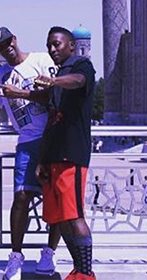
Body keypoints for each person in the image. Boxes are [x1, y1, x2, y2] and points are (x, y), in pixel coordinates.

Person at [0, 26, 60, 280]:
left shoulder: (42, 61)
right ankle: (15, 257)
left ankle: (49, 253)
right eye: (1, 47)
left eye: (8, 42)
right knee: (21, 197)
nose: (7, 48)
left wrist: (21, 93)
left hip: (54, 138)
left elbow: (57, 96)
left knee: (55, 199)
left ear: (15, 39)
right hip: (28, 142)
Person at [35, 26, 96, 280]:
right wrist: (42, 160)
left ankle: (85, 275)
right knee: (59, 217)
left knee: (74, 215)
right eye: (49, 45)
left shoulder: (82, 65)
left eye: (57, 44)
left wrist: (53, 81)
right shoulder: (60, 74)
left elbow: (79, 81)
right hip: (53, 156)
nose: (52, 49)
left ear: (72, 45)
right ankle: (78, 269)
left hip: (72, 154)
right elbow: (52, 119)